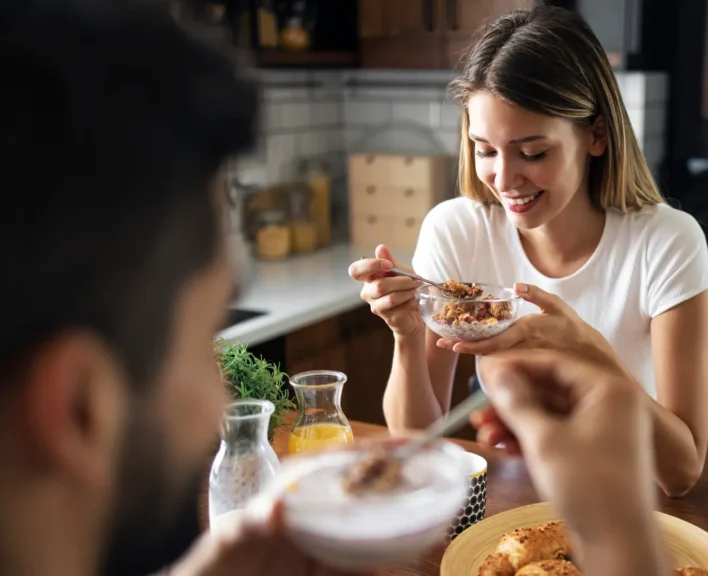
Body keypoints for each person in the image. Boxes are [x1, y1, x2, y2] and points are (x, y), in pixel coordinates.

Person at [0, 3, 667, 575]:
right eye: (204, 346)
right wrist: (617, 540)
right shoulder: (459, 228)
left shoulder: (658, 240)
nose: (220, 401)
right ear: (78, 406)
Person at [349, 6, 708, 496]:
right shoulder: (456, 231)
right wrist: (407, 334)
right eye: (484, 149)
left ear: (597, 136)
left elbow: (682, 472)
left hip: (628, 505)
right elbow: (417, 442)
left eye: (533, 152)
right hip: (511, 499)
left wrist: (589, 352)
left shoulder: (666, 243)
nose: (504, 179)